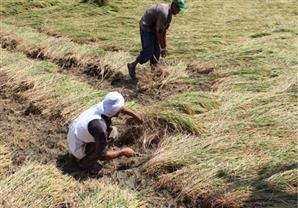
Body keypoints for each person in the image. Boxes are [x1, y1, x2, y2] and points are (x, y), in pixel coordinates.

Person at [67, 91, 142, 175]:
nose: (121, 110)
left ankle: (103, 150)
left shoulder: (104, 106)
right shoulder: (99, 127)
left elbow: (119, 108)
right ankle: (85, 164)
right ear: (115, 111)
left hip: (75, 136)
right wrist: (123, 152)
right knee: (100, 150)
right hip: (77, 148)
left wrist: (135, 115)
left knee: (113, 131)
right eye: (120, 109)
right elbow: (102, 155)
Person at [127, 0, 185, 80]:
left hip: (154, 28)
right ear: (174, 6)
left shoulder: (169, 16)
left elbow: (163, 31)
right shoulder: (164, 13)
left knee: (156, 52)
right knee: (148, 52)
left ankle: (153, 73)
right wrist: (163, 48)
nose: (179, 12)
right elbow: (159, 33)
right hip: (146, 27)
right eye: (179, 9)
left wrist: (164, 47)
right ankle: (132, 65)